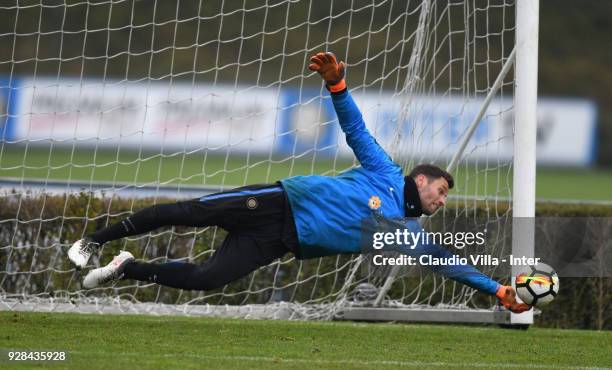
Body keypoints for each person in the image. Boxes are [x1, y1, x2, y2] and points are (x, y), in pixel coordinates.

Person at [69, 52, 529, 313]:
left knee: (208, 280)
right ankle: (95, 240)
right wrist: (337, 85)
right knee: (188, 214)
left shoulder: (408, 235)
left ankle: (124, 267)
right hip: (279, 203)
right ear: (422, 179)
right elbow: (356, 130)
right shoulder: (385, 170)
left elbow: (448, 264)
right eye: (442, 191)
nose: (442, 201)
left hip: (282, 241)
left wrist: (499, 291)